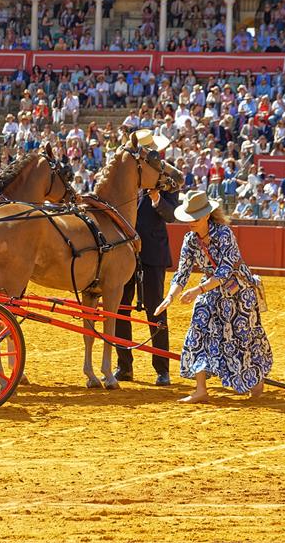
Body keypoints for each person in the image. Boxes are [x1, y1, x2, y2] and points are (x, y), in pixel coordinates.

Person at [155, 190, 273, 403]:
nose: (191, 222)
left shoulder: (224, 234)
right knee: (197, 329)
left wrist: (197, 290)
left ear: (207, 215)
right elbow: (182, 273)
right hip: (211, 291)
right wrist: (170, 297)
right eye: (189, 217)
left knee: (242, 337)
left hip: (239, 293)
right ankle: (201, 389)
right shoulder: (190, 240)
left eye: (195, 217)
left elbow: (225, 271)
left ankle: (255, 379)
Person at [115, 132, 178, 386]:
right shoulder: (129, 178)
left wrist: (155, 198)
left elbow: (172, 215)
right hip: (126, 252)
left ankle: (162, 369)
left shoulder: (168, 179)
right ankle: (124, 365)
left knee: (156, 310)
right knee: (121, 308)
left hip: (152, 253)